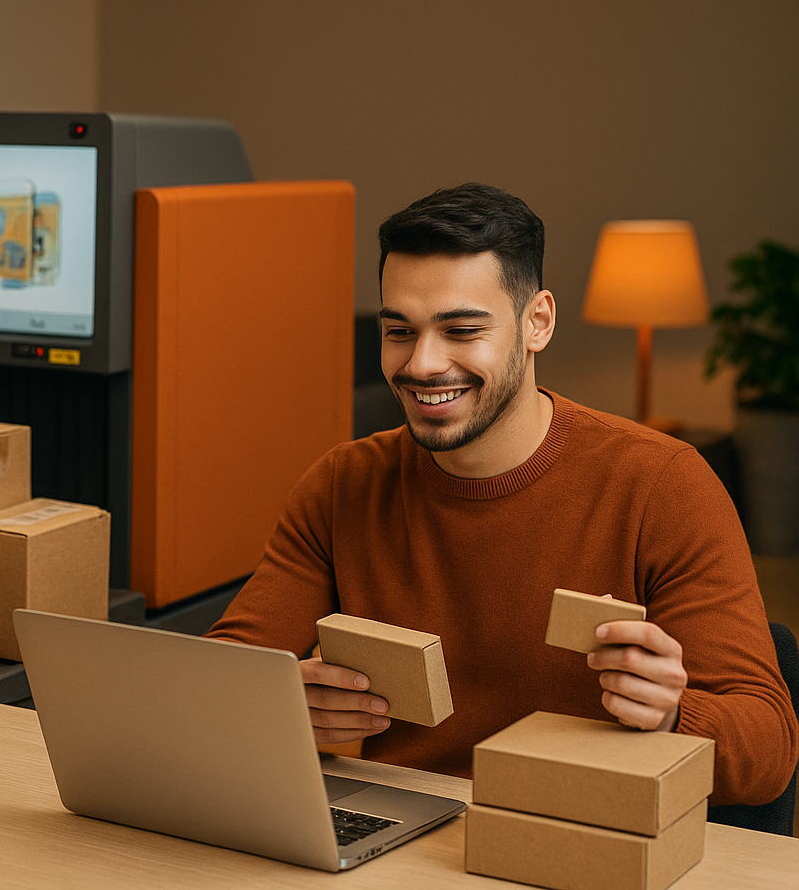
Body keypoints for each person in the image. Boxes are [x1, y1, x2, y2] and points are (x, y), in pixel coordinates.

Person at [209, 183, 798, 807]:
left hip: (575, 837)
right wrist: (277, 708)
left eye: (461, 329)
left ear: (536, 322)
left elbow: (768, 753)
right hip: (405, 834)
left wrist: (673, 715)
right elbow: (215, 682)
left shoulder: (663, 485)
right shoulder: (343, 485)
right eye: (399, 331)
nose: (423, 364)